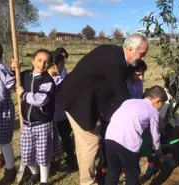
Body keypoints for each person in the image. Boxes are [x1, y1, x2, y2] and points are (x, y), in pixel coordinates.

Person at [56, 33, 149, 185]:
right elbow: (123, 97)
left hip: (86, 98)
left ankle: (93, 176)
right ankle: (88, 182)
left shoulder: (117, 55)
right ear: (130, 48)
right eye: (142, 54)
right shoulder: (114, 63)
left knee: (84, 143)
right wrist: (143, 115)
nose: (143, 58)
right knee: (90, 142)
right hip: (77, 101)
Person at [11, 49, 59, 185]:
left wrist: (23, 94)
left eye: (46, 62)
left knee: (43, 155)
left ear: (49, 65)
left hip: (42, 123)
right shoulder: (24, 75)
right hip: (27, 123)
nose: (42, 64)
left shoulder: (47, 81)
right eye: (39, 60)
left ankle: (44, 181)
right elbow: (10, 83)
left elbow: (40, 100)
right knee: (26, 155)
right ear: (33, 60)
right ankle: (34, 173)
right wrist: (13, 69)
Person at [105, 85, 167, 185]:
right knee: (132, 174)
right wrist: (158, 151)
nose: (161, 107)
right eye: (162, 104)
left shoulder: (129, 101)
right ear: (157, 101)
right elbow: (155, 137)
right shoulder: (153, 112)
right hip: (127, 144)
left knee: (113, 171)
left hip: (110, 137)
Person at [48, 51, 77, 170]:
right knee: (50, 139)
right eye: (62, 64)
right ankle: (52, 161)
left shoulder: (63, 78)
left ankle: (71, 159)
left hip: (62, 115)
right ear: (54, 64)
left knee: (65, 136)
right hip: (49, 116)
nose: (63, 67)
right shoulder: (45, 78)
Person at [0, 42, 16, 184]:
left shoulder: (0, 70)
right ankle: (1, 158)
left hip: (2, 109)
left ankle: (11, 170)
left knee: (4, 141)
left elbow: (0, 94)